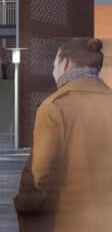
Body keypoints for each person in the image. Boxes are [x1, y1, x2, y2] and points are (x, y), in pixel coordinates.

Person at [15, 37, 112, 231]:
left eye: (54, 62)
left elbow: (40, 177)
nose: (53, 68)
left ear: (65, 63)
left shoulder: (55, 108)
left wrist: (24, 206)